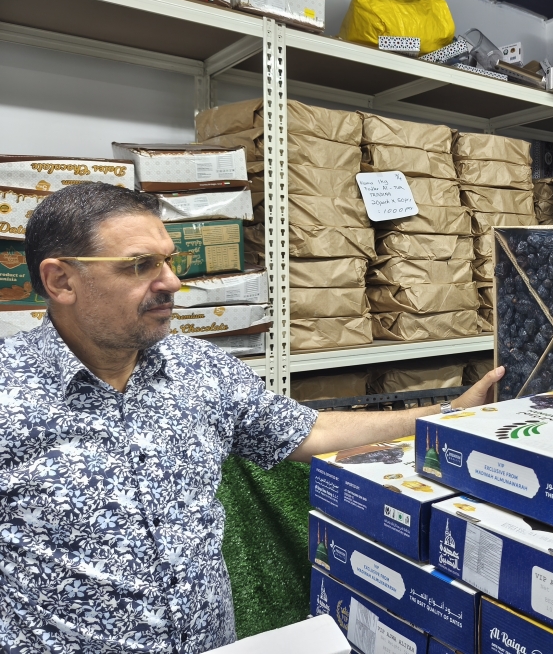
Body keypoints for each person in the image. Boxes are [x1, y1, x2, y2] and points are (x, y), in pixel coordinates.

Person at [0, 183, 504, 654]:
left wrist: (445, 414)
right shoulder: (9, 392)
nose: (172, 282)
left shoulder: (199, 369)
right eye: (140, 265)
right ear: (60, 280)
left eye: (169, 262)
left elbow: (313, 430)